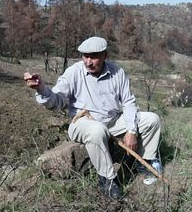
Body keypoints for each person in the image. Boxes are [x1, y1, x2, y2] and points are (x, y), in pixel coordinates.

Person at [23, 36, 162, 200]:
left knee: (151, 119)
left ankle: (145, 161)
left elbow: (129, 102)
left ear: (105, 55)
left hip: (113, 121)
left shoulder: (117, 72)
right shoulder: (74, 72)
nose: (88, 62)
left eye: (94, 56)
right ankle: (108, 180)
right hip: (82, 123)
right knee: (97, 130)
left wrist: (131, 130)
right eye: (85, 56)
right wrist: (41, 89)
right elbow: (57, 101)